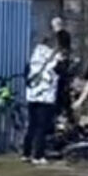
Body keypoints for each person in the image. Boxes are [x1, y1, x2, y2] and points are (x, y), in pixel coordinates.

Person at [24, 33, 61, 165]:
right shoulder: (53, 58)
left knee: (32, 125)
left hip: (32, 95)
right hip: (45, 97)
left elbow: (26, 75)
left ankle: (26, 153)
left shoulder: (33, 57)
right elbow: (60, 71)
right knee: (42, 126)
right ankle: (38, 155)